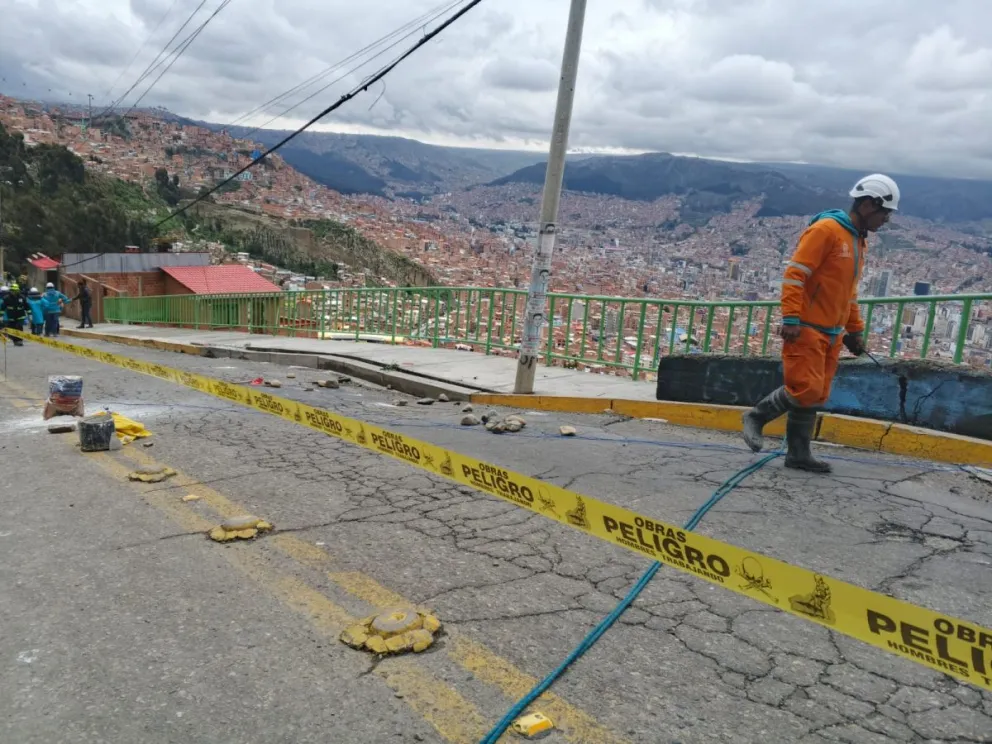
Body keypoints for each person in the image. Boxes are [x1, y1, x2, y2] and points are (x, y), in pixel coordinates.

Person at [741, 174, 900, 473]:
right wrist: (790, 318)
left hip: (832, 330)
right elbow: (795, 274)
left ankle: (798, 454)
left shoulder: (857, 240)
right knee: (806, 388)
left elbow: (848, 292)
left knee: (818, 392)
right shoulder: (826, 230)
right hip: (806, 326)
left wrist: (855, 331)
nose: (886, 220)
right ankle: (757, 416)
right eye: (885, 212)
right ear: (867, 205)